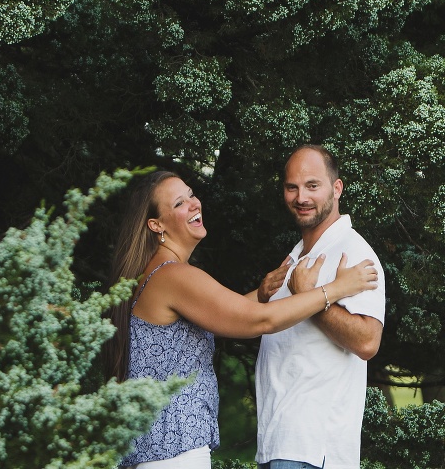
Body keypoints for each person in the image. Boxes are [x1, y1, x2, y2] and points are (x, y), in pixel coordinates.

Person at [102, 170, 379, 469]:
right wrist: (335, 289)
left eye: (191, 194)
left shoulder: (155, 273)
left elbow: (224, 315)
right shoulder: (173, 275)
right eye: (180, 203)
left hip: (153, 451)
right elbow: (259, 322)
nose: (194, 204)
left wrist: (261, 294)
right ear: (156, 225)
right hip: (174, 450)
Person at [254, 145, 386, 469]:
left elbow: (368, 341)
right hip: (277, 439)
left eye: (313, 185)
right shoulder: (297, 254)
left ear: (336, 188)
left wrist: (311, 299)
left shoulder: (353, 252)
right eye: (292, 187)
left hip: (312, 448)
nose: (301, 197)